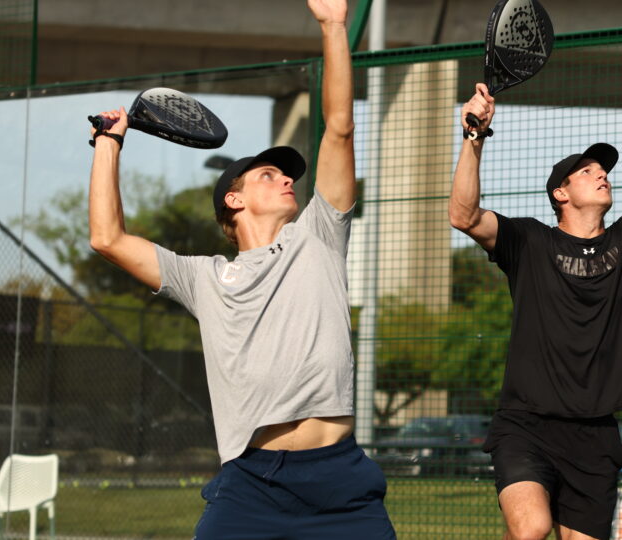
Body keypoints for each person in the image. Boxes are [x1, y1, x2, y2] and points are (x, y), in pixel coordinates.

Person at [86, 1, 395, 538]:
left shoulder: (320, 236)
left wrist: (334, 26)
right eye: (269, 174)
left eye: (287, 176)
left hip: (340, 482)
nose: (286, 181)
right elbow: (107, 238)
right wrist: (109, 144)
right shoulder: (204, 278)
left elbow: (340, 129)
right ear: (233, 199)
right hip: (254, 483)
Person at [448, 57, 622, 540]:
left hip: (595, 433)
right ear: (560, 192)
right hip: (526, 424)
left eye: (603, 169)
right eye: (587, 170)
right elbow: (464, 215)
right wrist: (474, 136)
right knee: (531, 528)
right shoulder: (530, 241)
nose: (601, 173)